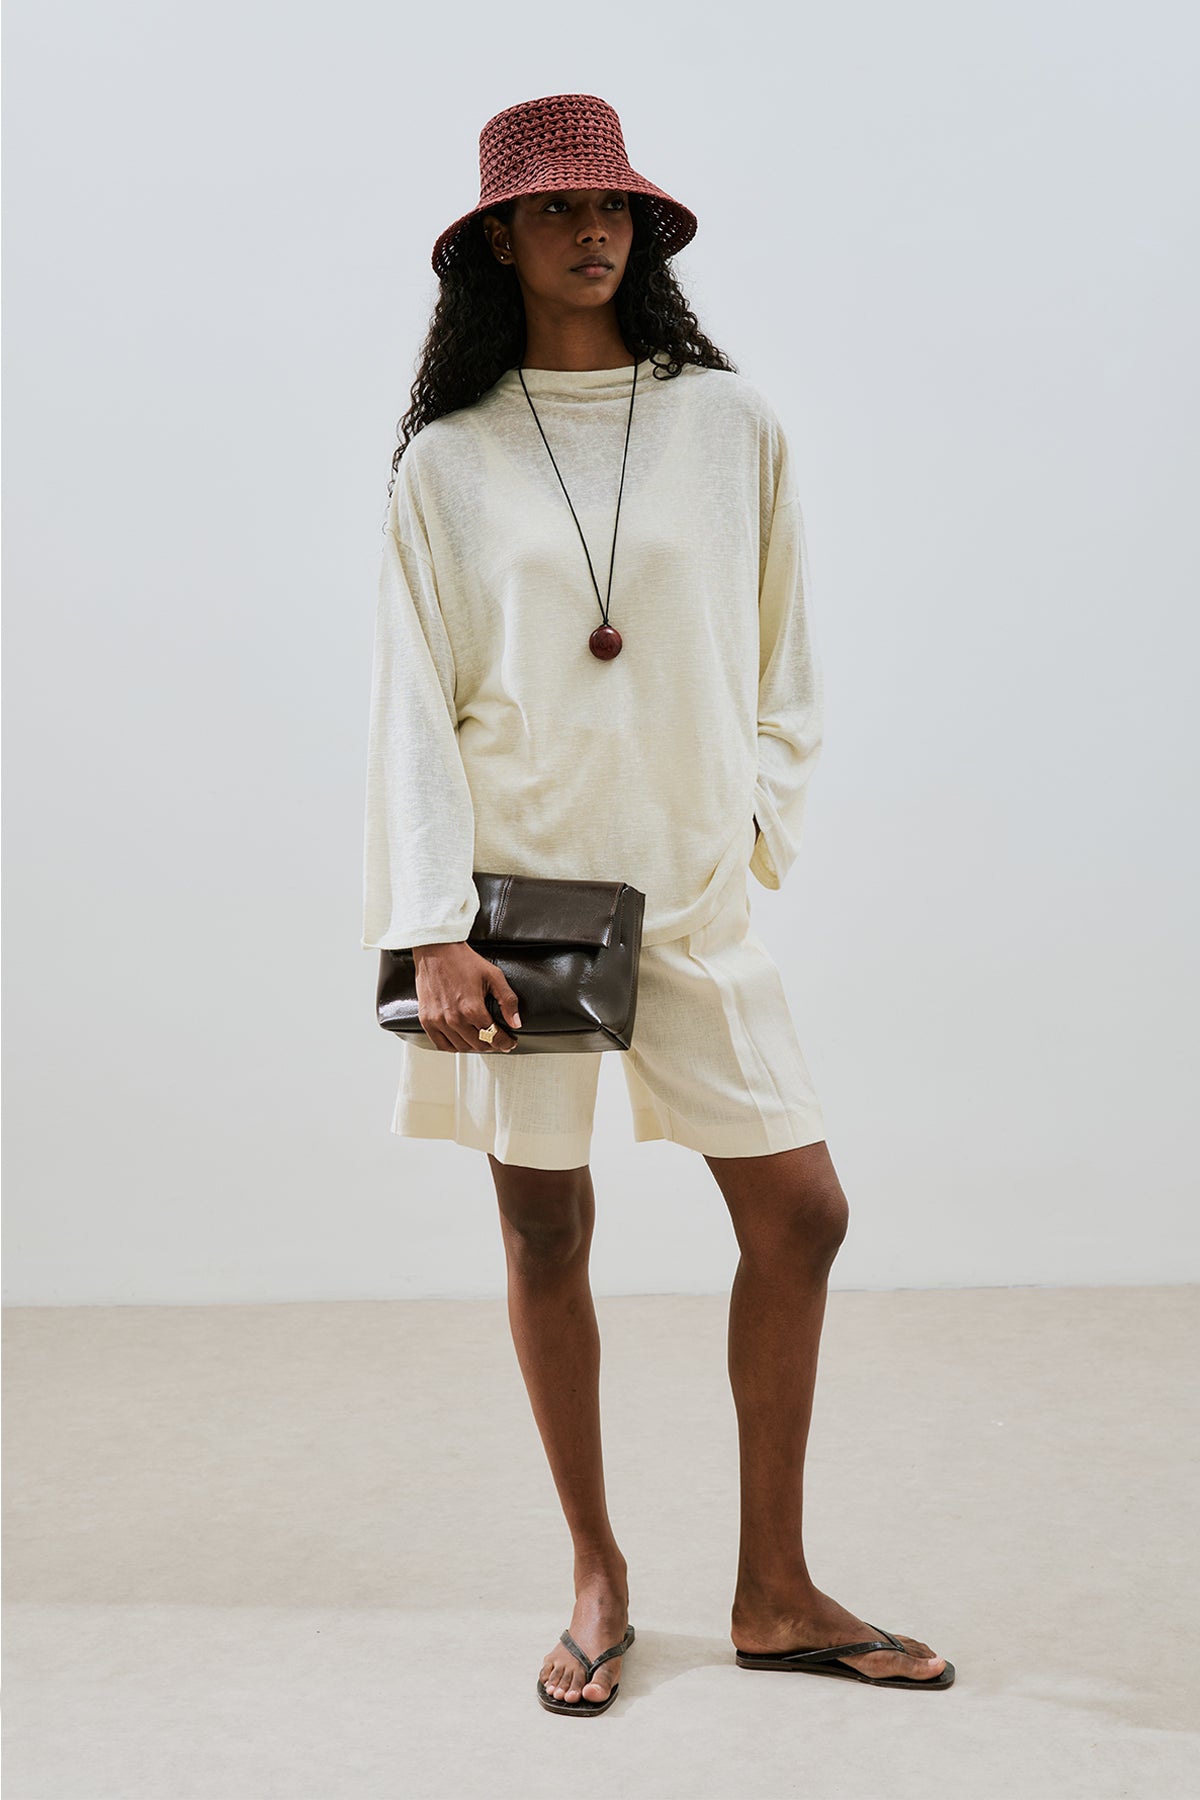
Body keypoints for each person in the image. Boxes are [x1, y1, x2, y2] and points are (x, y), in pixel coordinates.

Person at [361, 92, 953, 1712]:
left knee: (803, 1212)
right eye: (556, 209)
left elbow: (786, 650)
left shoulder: (729, 423)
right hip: (520, 903)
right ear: (498, 239)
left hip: (687, 898)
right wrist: (431, 923)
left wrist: (752, 824)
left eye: (611, 205)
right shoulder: (449, 462)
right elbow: (412, 705)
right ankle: (597, 1574)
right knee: (545, 1224)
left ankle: (775, 1589)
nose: (591, 229)